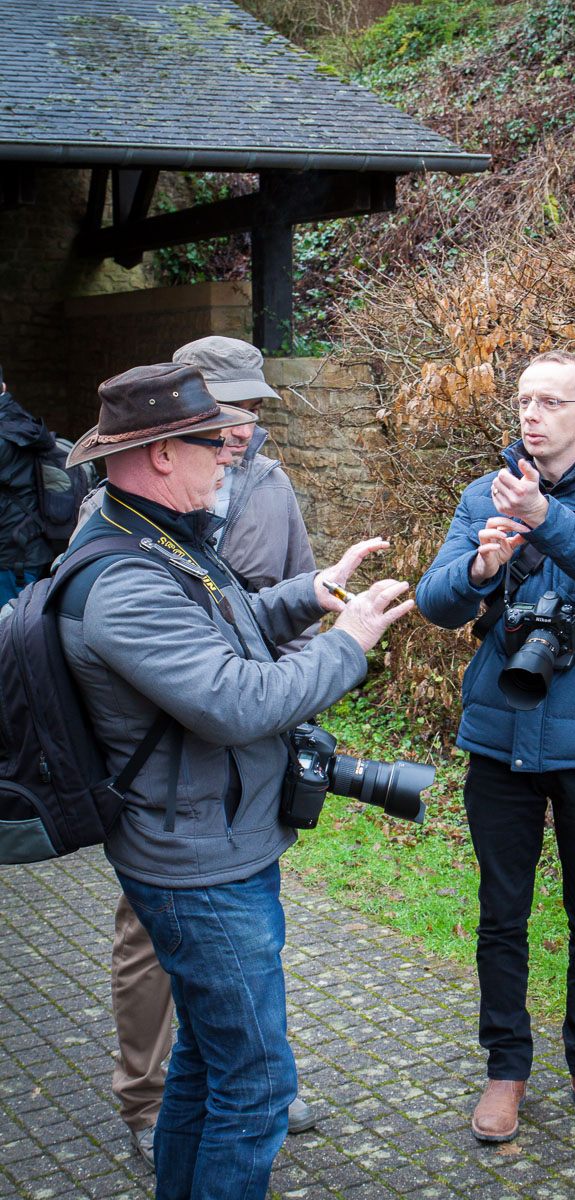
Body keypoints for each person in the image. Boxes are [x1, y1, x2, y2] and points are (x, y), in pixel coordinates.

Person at [58, 361, 415, 1199]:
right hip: (198, 868)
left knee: (206, 1063)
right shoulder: (122, 580)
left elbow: (231, 618)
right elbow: (236, 701)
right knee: (255, 1086)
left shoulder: (152, 535)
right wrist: (350, 640)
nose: (229, 455)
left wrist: (310, 592)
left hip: (208, 844)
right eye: (212, 443)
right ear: (156, 455)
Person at [415, 350, 575, 1142]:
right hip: (501, 736)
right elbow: (435, 602)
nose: (532, 415)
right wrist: (483, 566)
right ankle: (506, 1069)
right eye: (525, 400)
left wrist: (542, 519)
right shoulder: (479, 495)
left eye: (552, 402)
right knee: (502, 912)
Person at [106, 337, 319, 1164]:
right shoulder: (119, 518)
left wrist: (297, 680)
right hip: (164, 792)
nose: (242, 425)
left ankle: (244, 1070)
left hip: (243, 773)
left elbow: (290, 602)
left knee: (239, 951)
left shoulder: (272, 486)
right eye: (227, 408)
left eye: (254, 407)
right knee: (149, 946)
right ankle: (145, 1100)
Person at [0, 363, 58, 604]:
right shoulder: (18, 421)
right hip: (25, 547)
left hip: (11, 556)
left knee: (9, 634)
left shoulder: (5, 433)